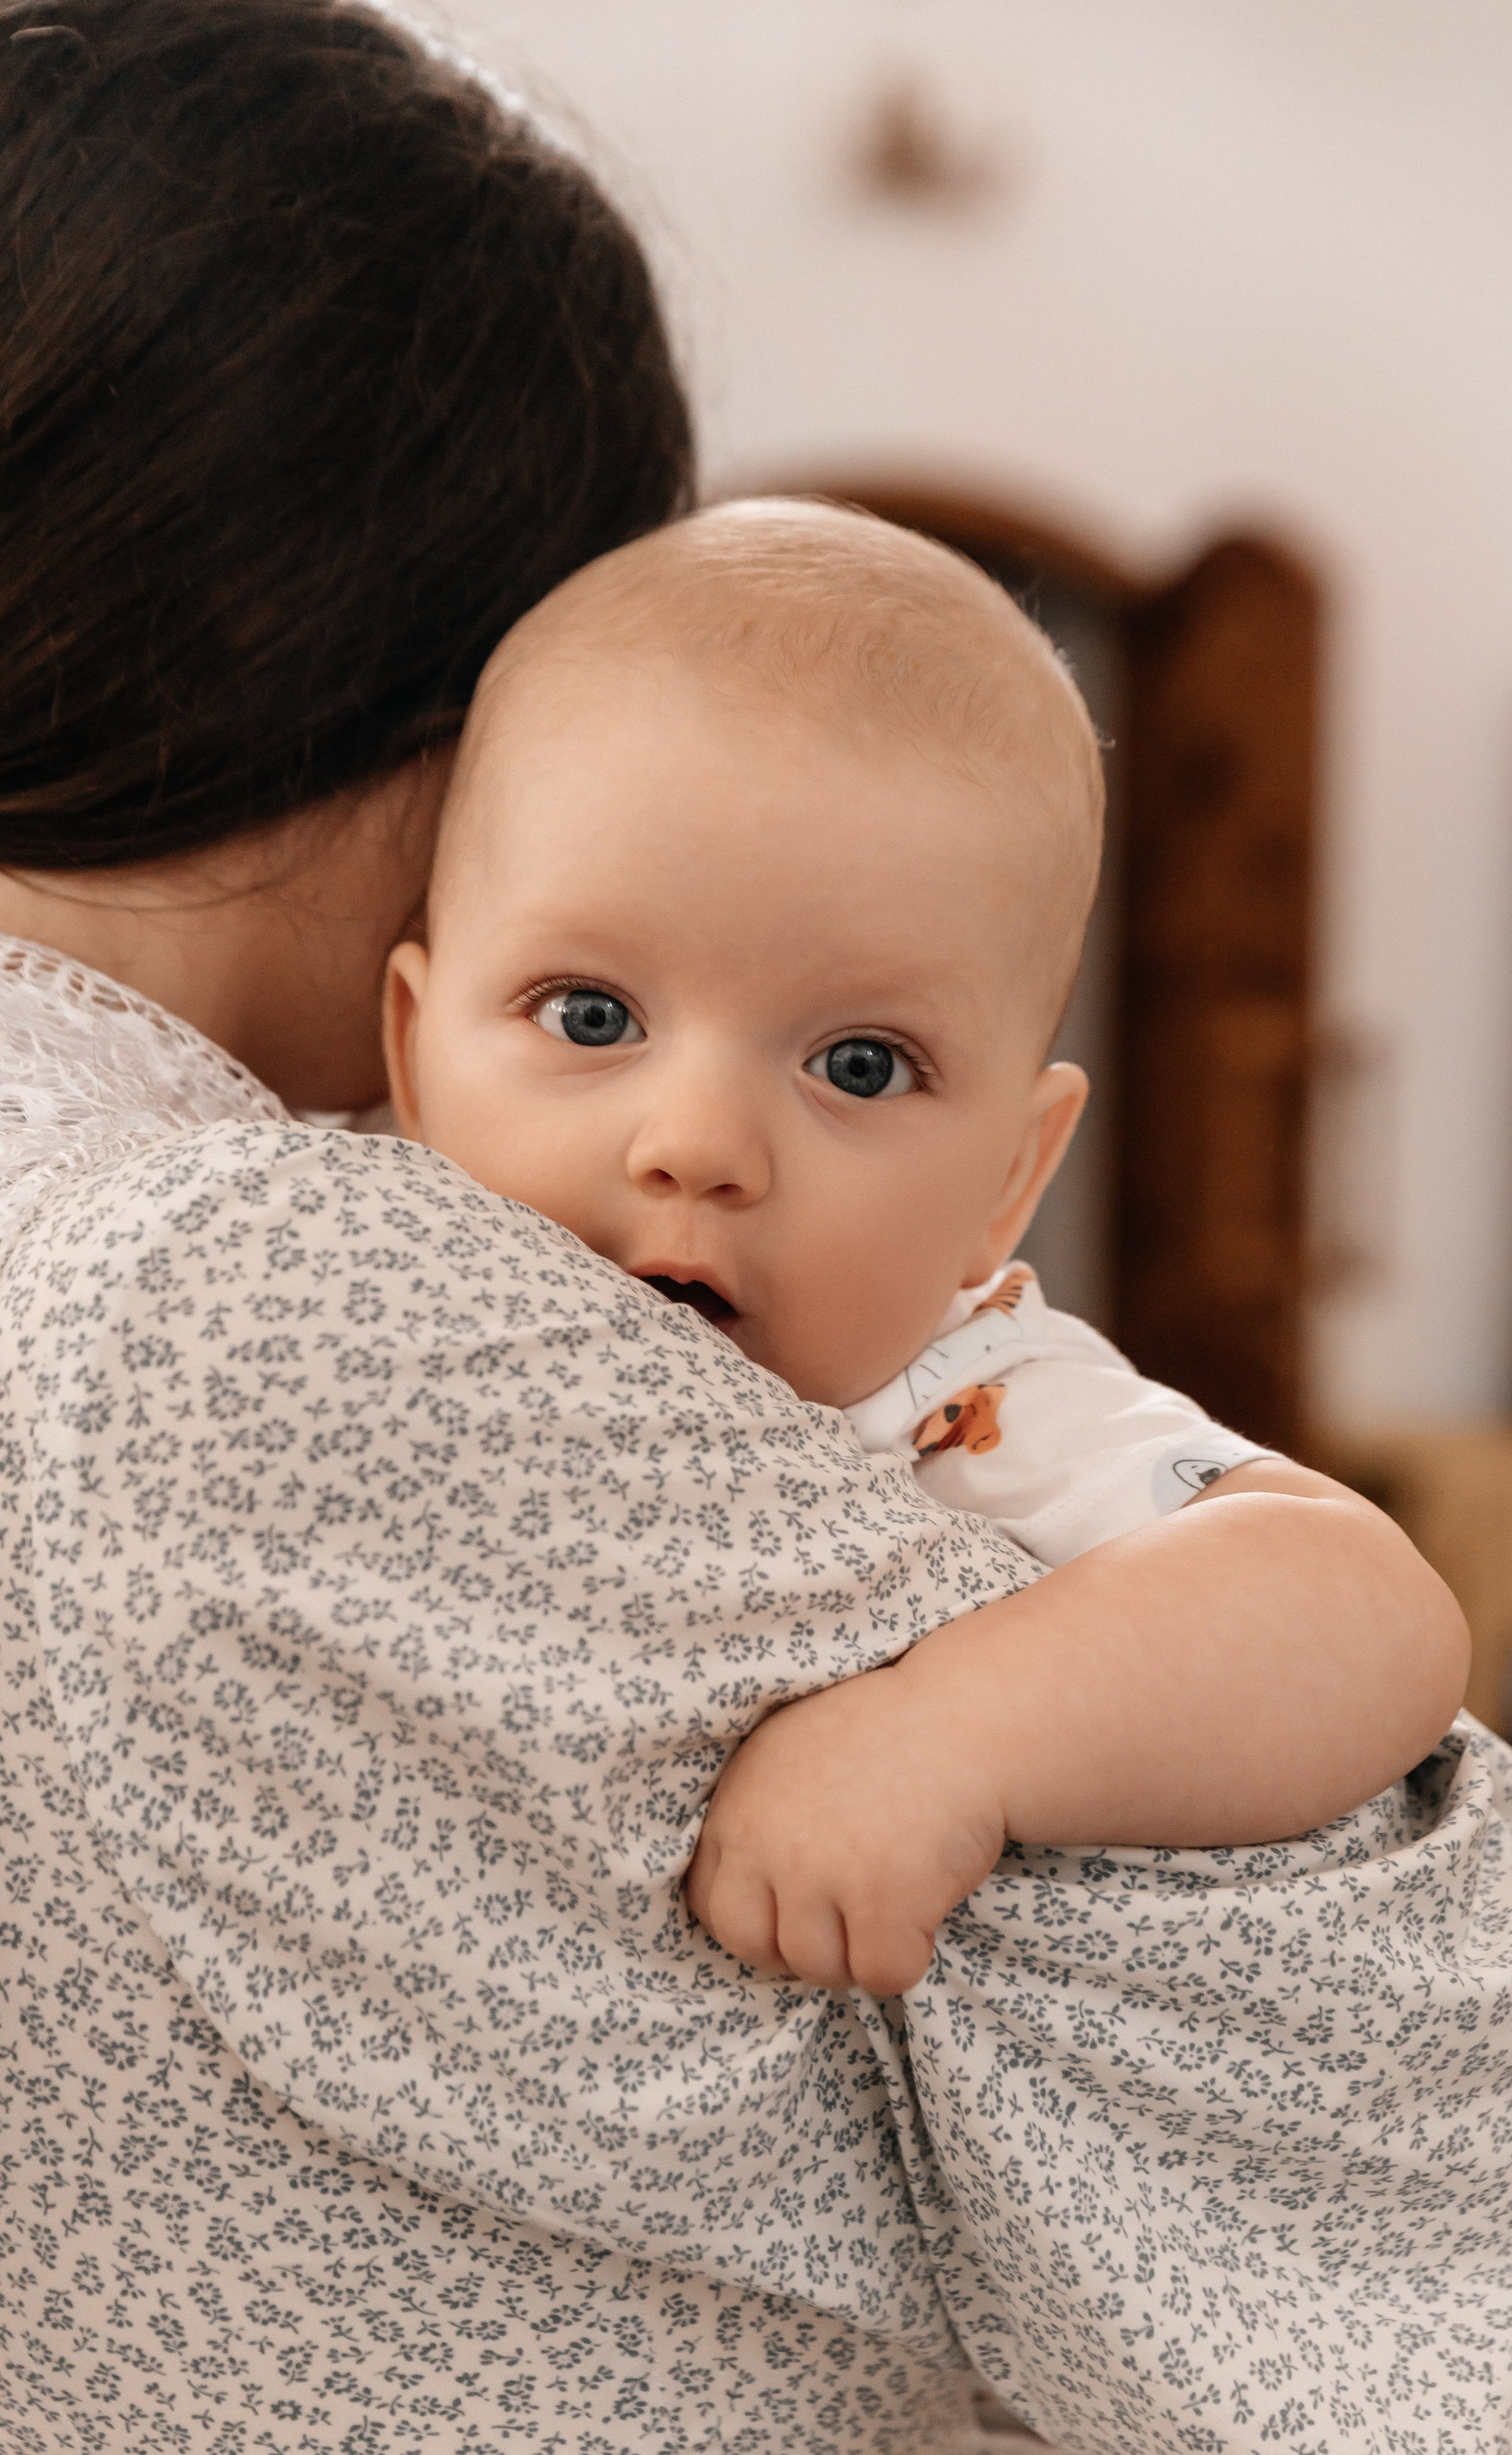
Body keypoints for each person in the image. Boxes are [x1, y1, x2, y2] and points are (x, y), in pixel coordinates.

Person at [0, 3, 1022, 2447]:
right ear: (447, 717)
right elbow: (1362, 2021)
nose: (689, 1143)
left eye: (856, 1060)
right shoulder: (249, 1286)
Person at [378, 498, 1465, 1995]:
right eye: (589, 1015)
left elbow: (1372, 1620)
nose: (695, 1144)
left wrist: (954, 1733)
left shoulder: (960, 1401)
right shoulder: (344, 1303)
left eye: (860, 1066)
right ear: (412, 1056)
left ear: (1007, 1179)